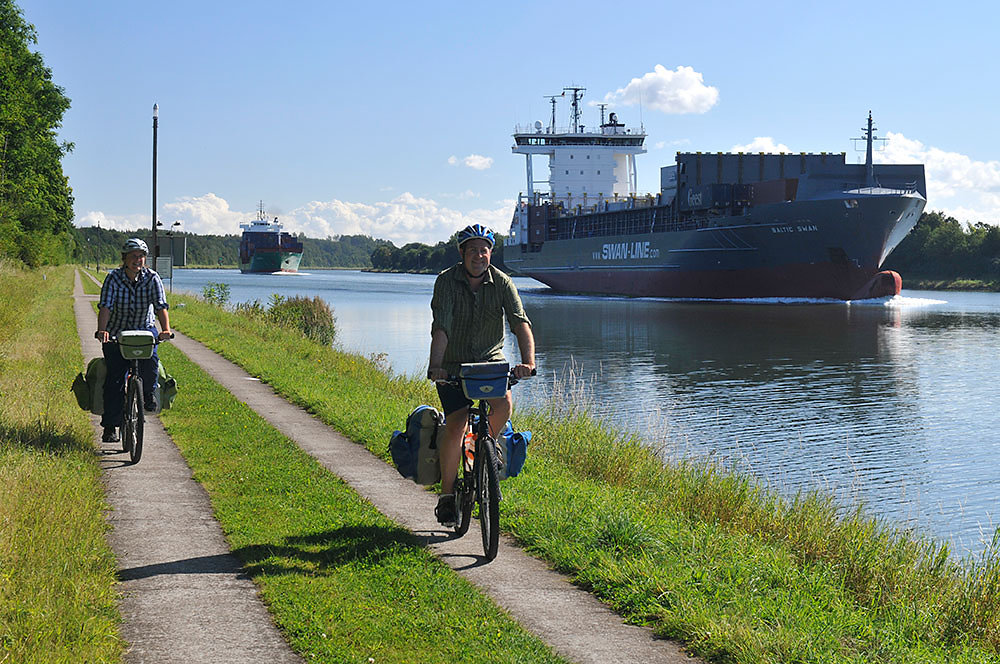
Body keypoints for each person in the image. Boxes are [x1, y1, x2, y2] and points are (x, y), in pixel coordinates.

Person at [427, 224, 535, 526]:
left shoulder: (502, 282)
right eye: (472, 249)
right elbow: (442, 327)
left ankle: (480, 449)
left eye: (484, 249)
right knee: (457, 423)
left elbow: (520, 323)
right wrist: (437, 366)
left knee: (503, 406)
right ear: (462, 253)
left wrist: (529, 361)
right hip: (454, 364)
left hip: (490, 362)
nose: (479, 255)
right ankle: (448, 496)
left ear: (491, 253)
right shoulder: (446, 281)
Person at [94, 238, 172, 442]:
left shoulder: (152, 278)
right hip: (117, 333)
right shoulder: (113, 278)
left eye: (141, 256)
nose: (137, 260)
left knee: (151, 361)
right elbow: (106, 307)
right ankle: (110, 427)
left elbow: (160, 306)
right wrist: (102, 331)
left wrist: (165, 329)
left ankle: (147, 395)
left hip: (144, 330)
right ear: (125, 259)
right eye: (133, 256)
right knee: (115, 380)